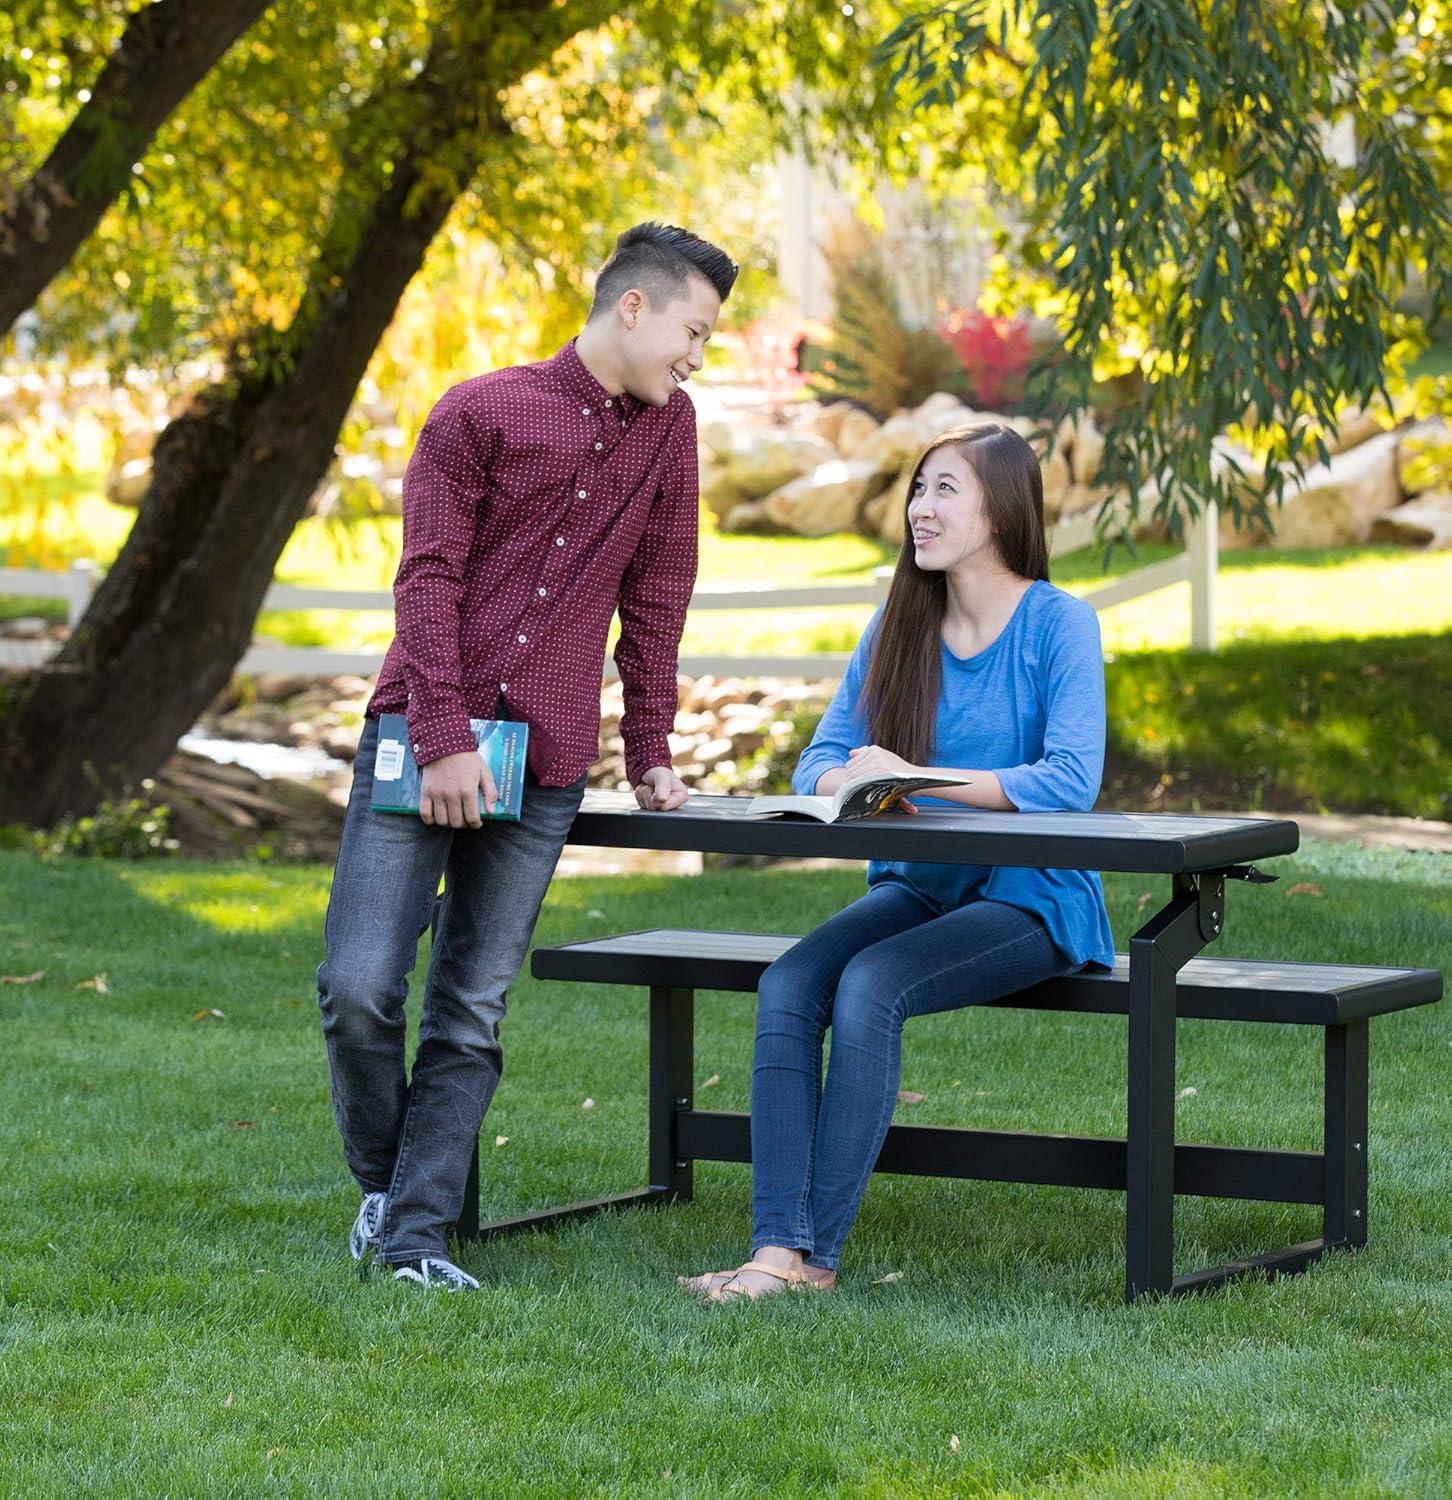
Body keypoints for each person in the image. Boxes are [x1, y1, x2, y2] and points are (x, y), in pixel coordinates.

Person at [318, 223, 737, 1292]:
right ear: (633, 307)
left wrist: (648, 745)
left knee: (469, 1008)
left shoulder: (670, 432)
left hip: (546, 756)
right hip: (424, 734)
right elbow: (425, 584)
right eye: (693, 329)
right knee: (360, 987)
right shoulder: (479, 412)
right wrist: (446, 737)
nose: (697, 356)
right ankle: (387, 1186)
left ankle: (413, 1242)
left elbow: (657, 593)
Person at [683, 423, 1114, 1300]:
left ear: (1002, 507)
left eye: (944, 489)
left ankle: (818, 1263)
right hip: (921, 888)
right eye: (919, 489)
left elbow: (1070, 778)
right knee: (790, 983)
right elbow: (821, 758)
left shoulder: (1059, 624)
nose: (920, 507)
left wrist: (917, 779)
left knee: (871, 986)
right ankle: (776, 1251)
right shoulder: (898, 624)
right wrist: (851, 776)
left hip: (1036, 902)